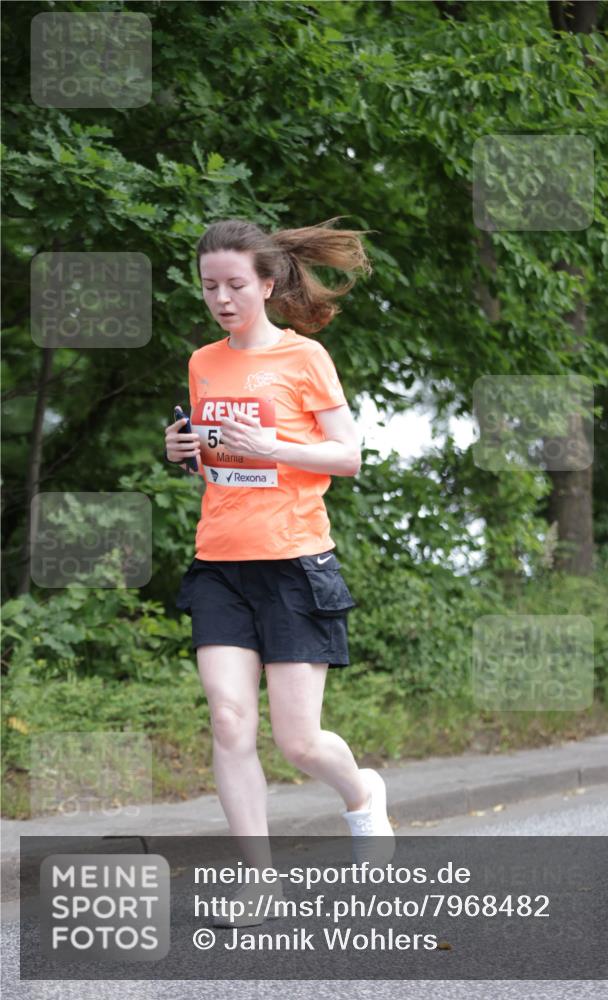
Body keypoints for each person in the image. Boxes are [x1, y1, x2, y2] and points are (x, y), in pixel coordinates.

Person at [163, 217, 395, 926]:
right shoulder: (205, 362)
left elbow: (348, 456)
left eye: (235, 285)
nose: (222, 299)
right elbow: (224, 461)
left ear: (266, 284)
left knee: (297, 742)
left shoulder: (305, 359)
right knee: (230, 720)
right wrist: (185, 452)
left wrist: (272, 441)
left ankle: (361, 795)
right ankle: (259, 884)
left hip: (295, 562)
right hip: (221, 562)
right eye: (210, 287)